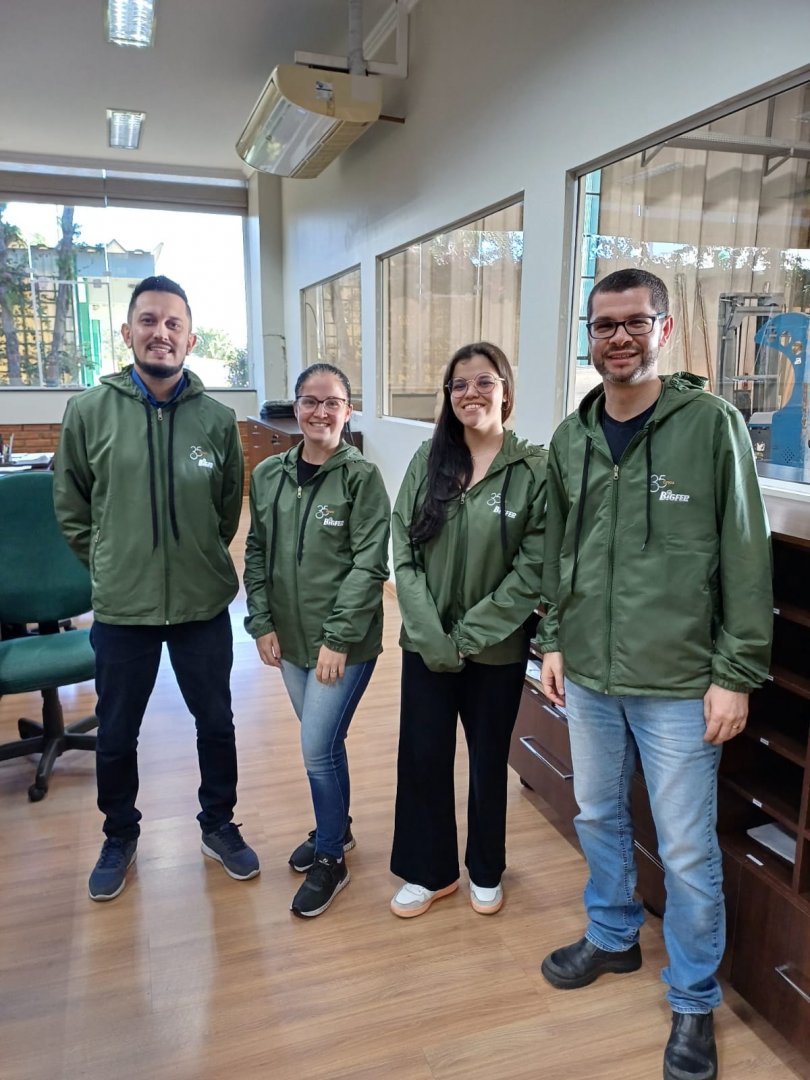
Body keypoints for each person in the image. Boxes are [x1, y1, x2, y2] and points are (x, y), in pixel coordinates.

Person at [537, 269, 773, 1080]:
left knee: (685, 848)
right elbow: (559, 550)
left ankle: (694, 999)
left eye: (636, 322)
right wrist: (553, 640)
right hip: (590, 673)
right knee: (598, 813)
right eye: (604, 324)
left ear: (664, 330)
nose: (619, 338)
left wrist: (735, 672)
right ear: (590, 335)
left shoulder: (710, 425)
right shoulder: (572, 437)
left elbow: (745, 553)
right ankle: (613, 937)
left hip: (678, 681)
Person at [54, 275, 259, 901]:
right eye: (148, 320)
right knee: (117, 732)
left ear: (191, 339)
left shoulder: (217, 420)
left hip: (202, 604)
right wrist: (112, 564)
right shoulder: (89, 412)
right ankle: (119, 834)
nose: (160, 332)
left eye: (173, 323)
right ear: (127, 332)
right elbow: (72, 508)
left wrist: (193, 558)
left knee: (216, 723)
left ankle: (218, 824)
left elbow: (226, 510)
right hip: (124, 607)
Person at [390, 342, 547, 918]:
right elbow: (403, 551)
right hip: (425, 644)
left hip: (496, 650)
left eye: (484, 381)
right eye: (458, 384)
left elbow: (532, 570)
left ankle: (485, 868)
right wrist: (431, 634)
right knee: (423, 756)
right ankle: (428, 873)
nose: (470, 393)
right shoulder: (428, 461)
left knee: (487, 762)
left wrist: (466, 637)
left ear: (505, 391)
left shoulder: (532, 470)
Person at [244, 362, 390, 918]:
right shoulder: (269, 475)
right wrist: (262, 621)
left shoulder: (361, 479)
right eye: (310, 400)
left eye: (332, 402)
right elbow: (257, 551)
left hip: (343, 646)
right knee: (325, 745)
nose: (320, 411)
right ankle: (339, 829)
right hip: (289, 640)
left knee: (315, 747)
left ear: (347, 411)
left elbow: (369, 565)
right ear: (296, 407)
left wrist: (338, 639)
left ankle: (331, 857)